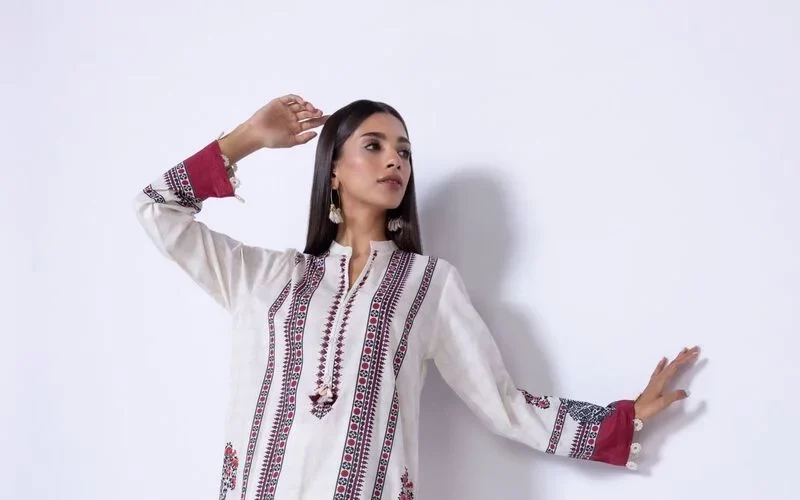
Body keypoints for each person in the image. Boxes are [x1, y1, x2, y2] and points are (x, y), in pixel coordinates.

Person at [133, 94, 700, 500]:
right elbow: (155, 210)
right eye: (374, 146)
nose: (394, 161)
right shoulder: (263, 277)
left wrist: (622, 420)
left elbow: (503, 403)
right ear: (333, 170)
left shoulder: (428, 285)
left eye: (403, 152)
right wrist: (248, 138)